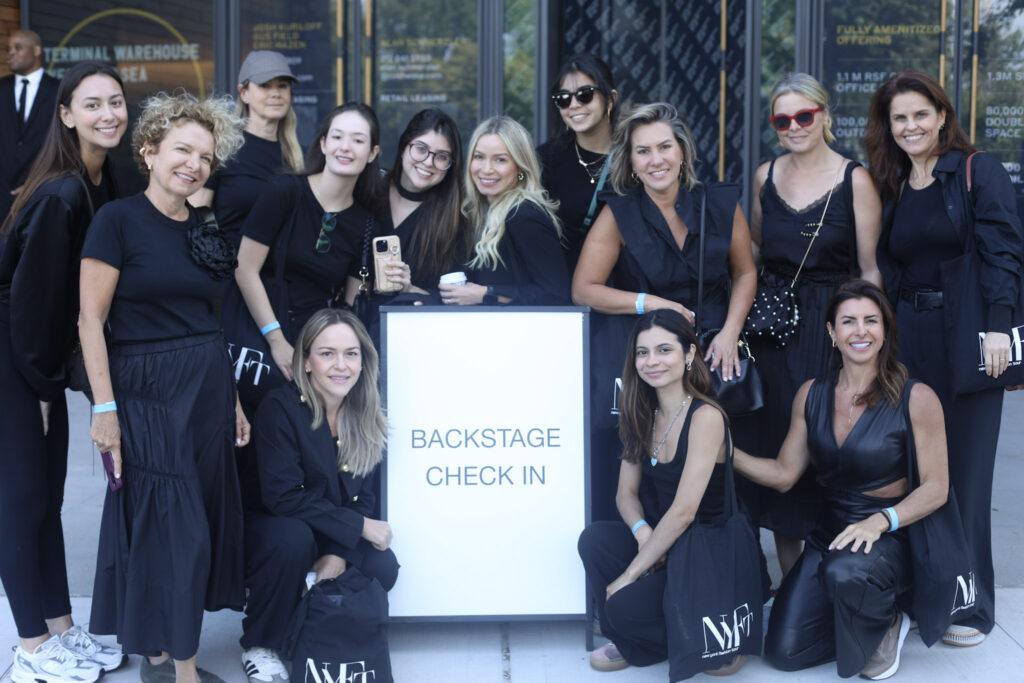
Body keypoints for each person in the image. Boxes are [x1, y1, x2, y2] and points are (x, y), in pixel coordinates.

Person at [80, 91, 248, 683]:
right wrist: (105, 409)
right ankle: (184, 670)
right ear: (149, 150)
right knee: (175, 528)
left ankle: (157, 652)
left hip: (204, 389)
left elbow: (213, 320)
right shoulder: (116, 220)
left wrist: (230, 400)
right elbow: (89, 321)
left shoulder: (204, 226)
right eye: (183, 149)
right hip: (145, 390)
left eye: (205, 156)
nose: (195, 164)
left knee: (179, 522)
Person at [864, 69, 1024, 647]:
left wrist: (1000, 327)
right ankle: (918, 592)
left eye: (920, 114)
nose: (910, 126)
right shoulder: (896, 182)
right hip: (910, 340)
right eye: (898, 118)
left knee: (967, 475)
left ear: (942, 115)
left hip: (968, 337)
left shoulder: (979, 171)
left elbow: (1005, 252)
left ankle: (971, 605)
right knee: (916, 470)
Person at [734, 280, 948, 679]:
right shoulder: (811, 394)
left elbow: (937, 487)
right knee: (783, 652)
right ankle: (854, 617)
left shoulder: (917, 397)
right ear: (832, 332)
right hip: (830, 535)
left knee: (845, 572)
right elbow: (783, 475)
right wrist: (727, 453)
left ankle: (888, 619)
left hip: (890, 535)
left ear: (885, 330)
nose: (860, 331)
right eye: (848, 322)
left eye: (871, 320)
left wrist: (881, 521)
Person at [0, 61, 127, 683]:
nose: (109, 114)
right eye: (93, 104)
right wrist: (43, 386)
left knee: (46, 500)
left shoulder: (98, 180)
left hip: (31, 357)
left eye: (117, 102)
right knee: (22, 502)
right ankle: (27, 648)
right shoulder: (64, 192)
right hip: (13, 356)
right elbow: (32, 303)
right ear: (66, 113)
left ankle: (59, 630)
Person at [572, 102, 757, 522]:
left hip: (710, 349)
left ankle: (722, 558)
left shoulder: (721, 203)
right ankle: (649, 543)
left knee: (717, 464)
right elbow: (583, 290)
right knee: (652, 458)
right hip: (650, 355)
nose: (656, 160)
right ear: (631, 161)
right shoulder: (618, 213)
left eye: (664, 147)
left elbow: (745, 272)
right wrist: (650, 302)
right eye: (643, 151)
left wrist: (730, 332)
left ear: (682, 151)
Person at [749, 73, 883, 577]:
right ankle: (792, 583)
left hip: (833, 327)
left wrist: (869, 340)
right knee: (780, 438)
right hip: (776, 330)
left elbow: (869, 270)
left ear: (824, 115)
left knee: (829, 444)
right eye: (782, 119)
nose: (794, 126)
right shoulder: (766, 175)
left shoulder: (856, 180)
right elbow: (759, 251)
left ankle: (840, 572)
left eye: (804, 115)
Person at [577, 309, 748, 676]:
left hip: (705, 550)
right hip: (662, 541)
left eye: (664, 350)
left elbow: (685, 511)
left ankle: (697, 636)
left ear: (689, 355)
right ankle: (658, 637)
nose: (651, 361)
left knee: (620, 605)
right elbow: (625, 494)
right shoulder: (640, 410)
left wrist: (628, 577)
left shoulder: (706, 417)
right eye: (642, 352)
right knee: (594, 540)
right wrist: (643, 535)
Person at [239, 308, 398, 682]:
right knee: (291, 540)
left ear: (364, 360)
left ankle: (308, 617)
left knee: (382, 566)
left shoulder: (365, 412)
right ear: (306, 362)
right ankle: (261, 642)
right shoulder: (281, 408)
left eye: (351, 353)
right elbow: (283, 497)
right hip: (273, 528)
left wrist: (337, 553)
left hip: (328, 529)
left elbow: (366, 496)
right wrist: (358, 527)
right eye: (327, 353)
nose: (340, 365)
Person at [235, 102, 388, 390]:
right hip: (262, 334)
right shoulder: (285, 191)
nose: (345, 147)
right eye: (338, 136)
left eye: (357, 140)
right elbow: (244, 269)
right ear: (323, 143)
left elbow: (348, 305)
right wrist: (276, 339)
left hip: (315, 348)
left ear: (372, 154)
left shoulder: (366, 222)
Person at [439, 115, 569, 306]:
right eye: (479, 157)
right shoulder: (477, 214)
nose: (487, 169)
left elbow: (556, 293)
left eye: (500, 160)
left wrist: (486, 293)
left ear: (520, 167)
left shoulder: (524, 216)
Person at [192, 50, 303, 247]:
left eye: (282, 86)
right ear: (244, 93)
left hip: (283, 275)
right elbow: (195, 217)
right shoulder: (222, 146)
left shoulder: (297, 157)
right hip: (227, 270)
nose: (275, 93)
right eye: (264, 86)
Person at [537, 52, 619, 270]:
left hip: (624, 288)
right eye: (563, 99)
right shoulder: (545, 159)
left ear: (610, 99)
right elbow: (517, 177)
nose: (573, 105)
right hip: (563, 285)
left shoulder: (635, 158)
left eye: (585, 95)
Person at [380, 108, 470, 297]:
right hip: (356, 323)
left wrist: (409, 289)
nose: (429, 162)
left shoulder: (454, 221)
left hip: (413, 323)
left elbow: (451, 303)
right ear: (404, 147)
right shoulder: (371, 192)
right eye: (421, 149)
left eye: (441, 156)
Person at [1, 29, 60, 220]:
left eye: (18, 48)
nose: (11, 53)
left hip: (42, 198)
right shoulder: (1, 88)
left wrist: (40, 182)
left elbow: (64, 144)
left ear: (36, 51)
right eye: (8, 48)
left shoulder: (59, 90)